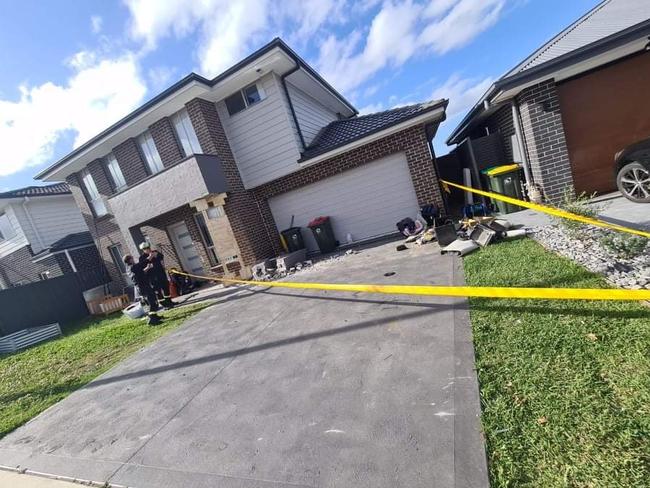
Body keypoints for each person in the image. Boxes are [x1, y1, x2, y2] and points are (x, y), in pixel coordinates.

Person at [123, 254, 162, 325]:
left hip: (143, 287)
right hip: (143, 287)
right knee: (152, 302)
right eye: (132, 258)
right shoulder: (132, 267)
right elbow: (142, 264)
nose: (133, 259)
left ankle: (155, 316)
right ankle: (152, 320)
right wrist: (150, 257)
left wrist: (147, 268)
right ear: (130, 260)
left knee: (152, 301)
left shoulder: (130, 268)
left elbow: (140, 273)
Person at [139, 242, 174, 309]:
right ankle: (164, 304)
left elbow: (161, 257)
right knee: (158, 290)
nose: (147, 249)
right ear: (143, 250)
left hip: (161, 273)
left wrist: (156, 255)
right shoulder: (142, 257)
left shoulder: (155, 252)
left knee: (166, 287)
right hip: (153, 277)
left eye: (148, 248)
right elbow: (142, 266)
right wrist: (150, 258)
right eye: (145, 248)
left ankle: (169, 301)